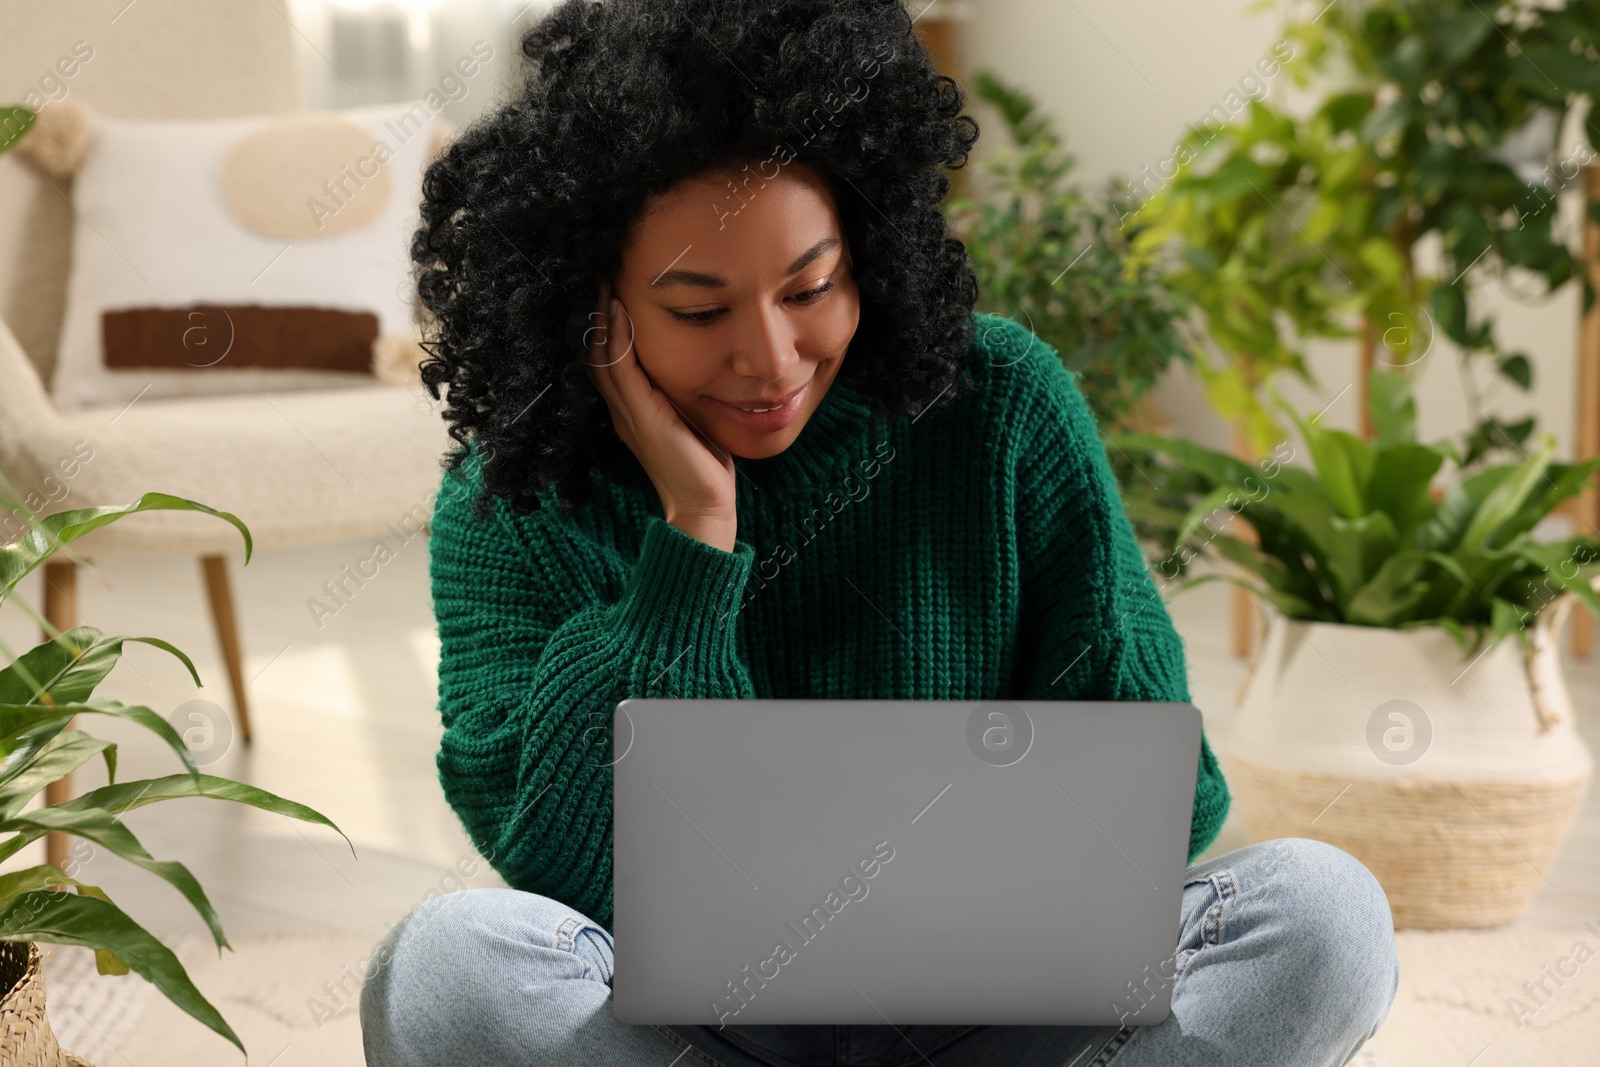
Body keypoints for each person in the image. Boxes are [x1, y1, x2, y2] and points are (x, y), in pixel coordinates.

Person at [360, 1, 1400, 1064]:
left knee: (1324, 911)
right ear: (593, 308)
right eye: (699, 310)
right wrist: (693, 542)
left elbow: (1170, 811)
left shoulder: (1000, 402)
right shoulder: (515, 498)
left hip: (1007, 1009)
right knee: (446, 969)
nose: (770, 357)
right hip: (704, 1032)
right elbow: (559, 866)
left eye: (810, 286)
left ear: (872, 251)